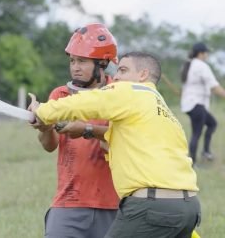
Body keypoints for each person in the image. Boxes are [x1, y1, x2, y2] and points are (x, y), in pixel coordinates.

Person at [28, 51, 201, 238]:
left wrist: (43, 111)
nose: (117, 76)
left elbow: (87, 102)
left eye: (124, 70)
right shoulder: (162, 109)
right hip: (189, 208)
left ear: (142, 75)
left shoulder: (132, 91)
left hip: (150, 206)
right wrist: (87, 130)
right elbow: (114, 144)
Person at [32, 23, 119, 238]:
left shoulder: (119, 95)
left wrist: (86, 129)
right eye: (72, 60)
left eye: (82, 61)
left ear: (103, 63)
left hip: (114, 203)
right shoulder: (60, 95)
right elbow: (49, 145)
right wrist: (44, 128)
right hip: (68, 201)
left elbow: (120, 141)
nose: (75, 67)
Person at [180, 42, 225, 164]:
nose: (207, 55)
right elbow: (214, 86)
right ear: (201, 53)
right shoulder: (201, 66)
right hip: (196, 104)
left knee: (212, 123)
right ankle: (192, 162)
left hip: (191, 104)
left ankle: (206, 152)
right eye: (206, 52)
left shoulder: (190, 65)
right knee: (196, 133)